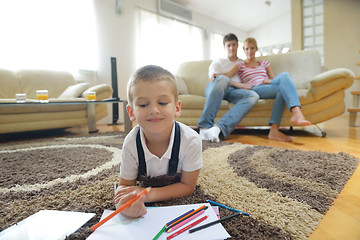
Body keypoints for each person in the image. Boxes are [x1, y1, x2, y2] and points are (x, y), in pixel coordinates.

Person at [113, 65, 203, 218]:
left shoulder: (191, 140)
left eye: (162, 103)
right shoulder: (131, 143)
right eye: (143, 105)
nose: (154, 110)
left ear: (177, 108)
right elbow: (125, 186)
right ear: (131, 112)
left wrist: (148, 195)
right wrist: (124, 203)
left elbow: (187, 187)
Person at [222, 37, 311, 142]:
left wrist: (268, 81)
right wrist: (215, 75)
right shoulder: (241, 65)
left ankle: (274, 131)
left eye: (252, 48)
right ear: (244, 50)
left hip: (268, 85)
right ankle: (297, 113)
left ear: (256, 49)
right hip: (255, 88)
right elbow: (227, 76)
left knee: (284, 80)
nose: (249, 51)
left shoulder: (265, 64)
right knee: (284, 79)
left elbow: (274, 79)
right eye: (247, 49)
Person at [198, 33, 259, 143]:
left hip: (232, 92)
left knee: (253, 96)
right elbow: (214, 78)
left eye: (234, 45)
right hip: (216, 88)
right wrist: (238, 84)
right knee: (223, 79)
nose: (231, 48)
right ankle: (204, 127)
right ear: (224, 47)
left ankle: (218, 129)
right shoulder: (219, 61)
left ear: (237, 46)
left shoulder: (242, 63)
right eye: (228, 45)